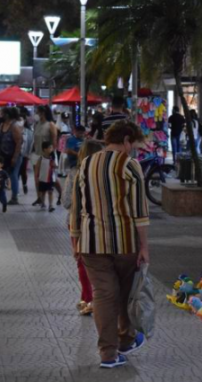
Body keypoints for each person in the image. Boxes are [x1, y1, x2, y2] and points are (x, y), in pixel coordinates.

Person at [70, 121, 149, 369]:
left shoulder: (86, 163)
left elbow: (76, 207)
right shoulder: (129, 165)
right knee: (125, 294)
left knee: (103, 296)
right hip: (124, 243)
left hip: (91, 243)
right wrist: (144, 246)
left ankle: (109, 353)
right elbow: (140, 211)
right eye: (134, 145)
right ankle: (124, 340)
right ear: (126, 140)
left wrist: (75, 239)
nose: (133, 151)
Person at [63, 140, 104, 316]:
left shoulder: (75, 173)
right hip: (101, 223)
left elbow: (66, 201)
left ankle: (89, 299)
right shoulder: (105, 174)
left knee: (82, 261)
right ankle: (88, 298)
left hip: (78, 223)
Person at [31, 105, 59, 206]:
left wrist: (51, 154)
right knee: (37, 177)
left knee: (50, 178)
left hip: (47, 155)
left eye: (38, 112)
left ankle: (60, 193)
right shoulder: (37, 124)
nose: (36, 114)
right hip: (37, 153)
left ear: (43, 113)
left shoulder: (50, 124)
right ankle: (40, 198)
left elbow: (54, 140)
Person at [0, 107, 24, 205]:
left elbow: (18, 142)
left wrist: (14, 157)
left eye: (1, 113)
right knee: (0, 175)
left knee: (13, 175)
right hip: (3, 155)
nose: (0, 115)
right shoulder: (2, 125)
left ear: (7, 115)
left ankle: (14, 197)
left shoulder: (14, 126)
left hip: (13, 156)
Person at [36, 142, 57, 212]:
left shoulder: (53, 158)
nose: (52, 149)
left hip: (50, 179)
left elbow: (56, 166)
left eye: (52, 148)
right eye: (50, 148)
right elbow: (37, 167)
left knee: (50, 191)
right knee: (43, 192)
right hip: (42, 178)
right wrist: (37, 176)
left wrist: (54, 164)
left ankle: (51, 205)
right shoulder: (41, 158)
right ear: (45, 149)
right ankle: (43, 203)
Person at [19, 110, 34, 195]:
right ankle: (15, 188)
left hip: (24, 154)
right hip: (16, 154)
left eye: (22, 119)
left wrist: (28, 154)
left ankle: (24, 184)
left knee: (23, 171)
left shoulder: (29, 131)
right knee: (15, 172)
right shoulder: (15, 128)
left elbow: (30, 143)